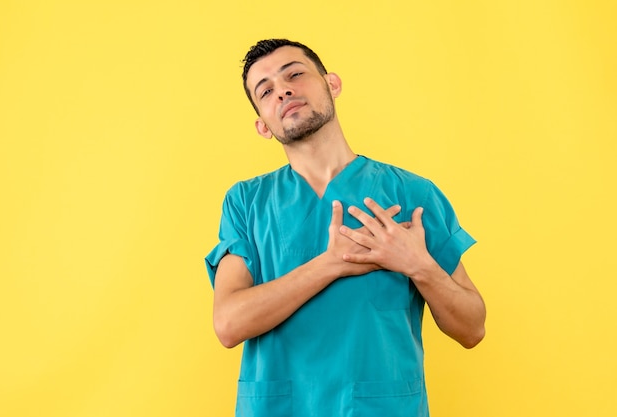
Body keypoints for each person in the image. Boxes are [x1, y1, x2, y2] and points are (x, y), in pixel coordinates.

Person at [205, 39, 486, 417]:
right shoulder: (246, 202)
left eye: (295, 74)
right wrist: (330, 264)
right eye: (266, 90)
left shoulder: (412, 193)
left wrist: (418, 264)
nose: (283, 90)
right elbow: (228, 324)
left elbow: (472, 328)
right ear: (263, 125)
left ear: (332, 84)